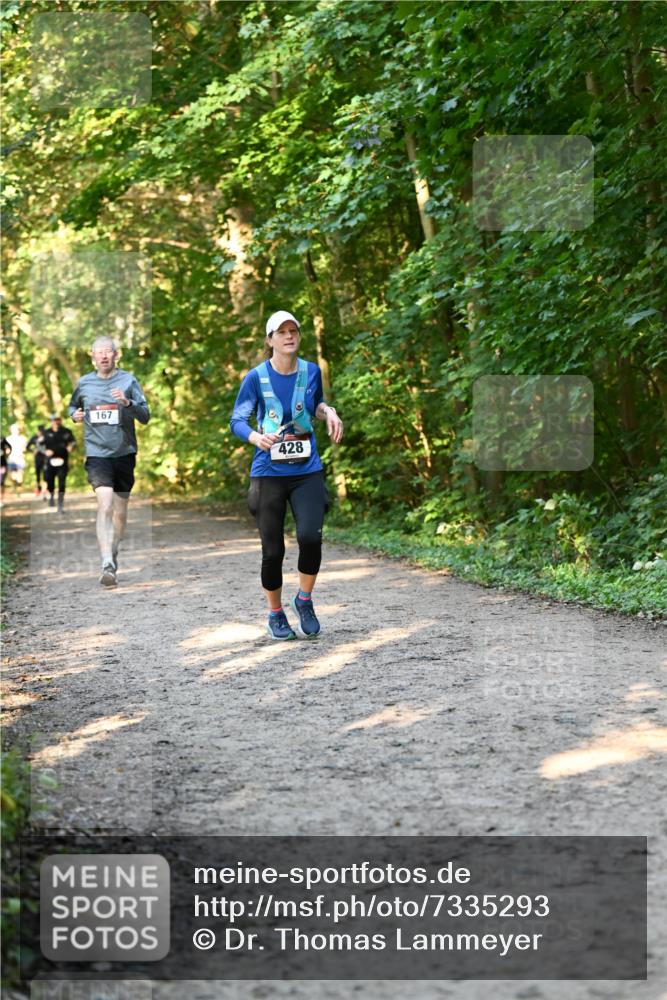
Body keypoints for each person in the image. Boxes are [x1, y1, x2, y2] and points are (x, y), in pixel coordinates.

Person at [230, 309, 343, 640]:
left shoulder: (311, 371)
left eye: (293, 331)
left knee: (310, 537)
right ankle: (275, 613)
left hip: (307, 469)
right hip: (268, 472)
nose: (289, 336)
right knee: (273, 550)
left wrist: (328, 412)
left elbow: (316, 404)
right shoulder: (255, 377)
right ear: (270, 340)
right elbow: (237, 420)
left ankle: (304, 600)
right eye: (282, 332)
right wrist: (256, 437)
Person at [68, 336, 150, 587]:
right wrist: (74, 415)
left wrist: (127, 403)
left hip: (124, 453)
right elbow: (72, 407)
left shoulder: (128, 380)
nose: (104, 356)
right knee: (104, 505)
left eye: (108, 351)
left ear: (116, 355)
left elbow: (145, 415)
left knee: (120, 513)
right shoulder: (84, 383)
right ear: (93, 357)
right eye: (99, 352)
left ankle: (113, 553)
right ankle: (106, 562)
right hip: (97, 454)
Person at [42, 415, 76, 512]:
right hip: (50, 461)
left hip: (62, 461)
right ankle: (51, 495)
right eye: (54, 420)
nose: (56, 422)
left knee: (62, 482)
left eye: (58, 420)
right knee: (49, 481)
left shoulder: (67, 432)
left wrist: (71, 447)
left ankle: (60, 504)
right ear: (51, 421)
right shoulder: (46, 432)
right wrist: (45, 451)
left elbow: (73, 442)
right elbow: (39, 444)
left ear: (60, 421)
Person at [27, 425, 47, 497]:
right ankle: (39, 488)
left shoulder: (47, 437)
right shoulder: (35, 437)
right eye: (40, 431)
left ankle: (44, 490)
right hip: (37, 458)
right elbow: (27, 447)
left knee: (45, 474)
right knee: (38, 474)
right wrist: (33, 451)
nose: (41, 432)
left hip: (46, 458)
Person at [6, 423, 27, 491]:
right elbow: (6, 449)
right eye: (13, 429)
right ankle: (15, 485)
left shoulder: (23, 438)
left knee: (20, 477)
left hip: (20, 459)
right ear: (11, 430)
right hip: (11, 459)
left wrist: (23, 451)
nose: (15, 430)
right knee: (13, 476)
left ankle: (19, 484)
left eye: (16, 429)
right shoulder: (8, 439)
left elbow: (25, 448)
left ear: (18, 430)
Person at [1, 436, 11, 503]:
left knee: (1, 482)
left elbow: (9, 447)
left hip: (2, 465)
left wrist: (8, 452)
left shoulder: (2, 439)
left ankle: (1, 499)